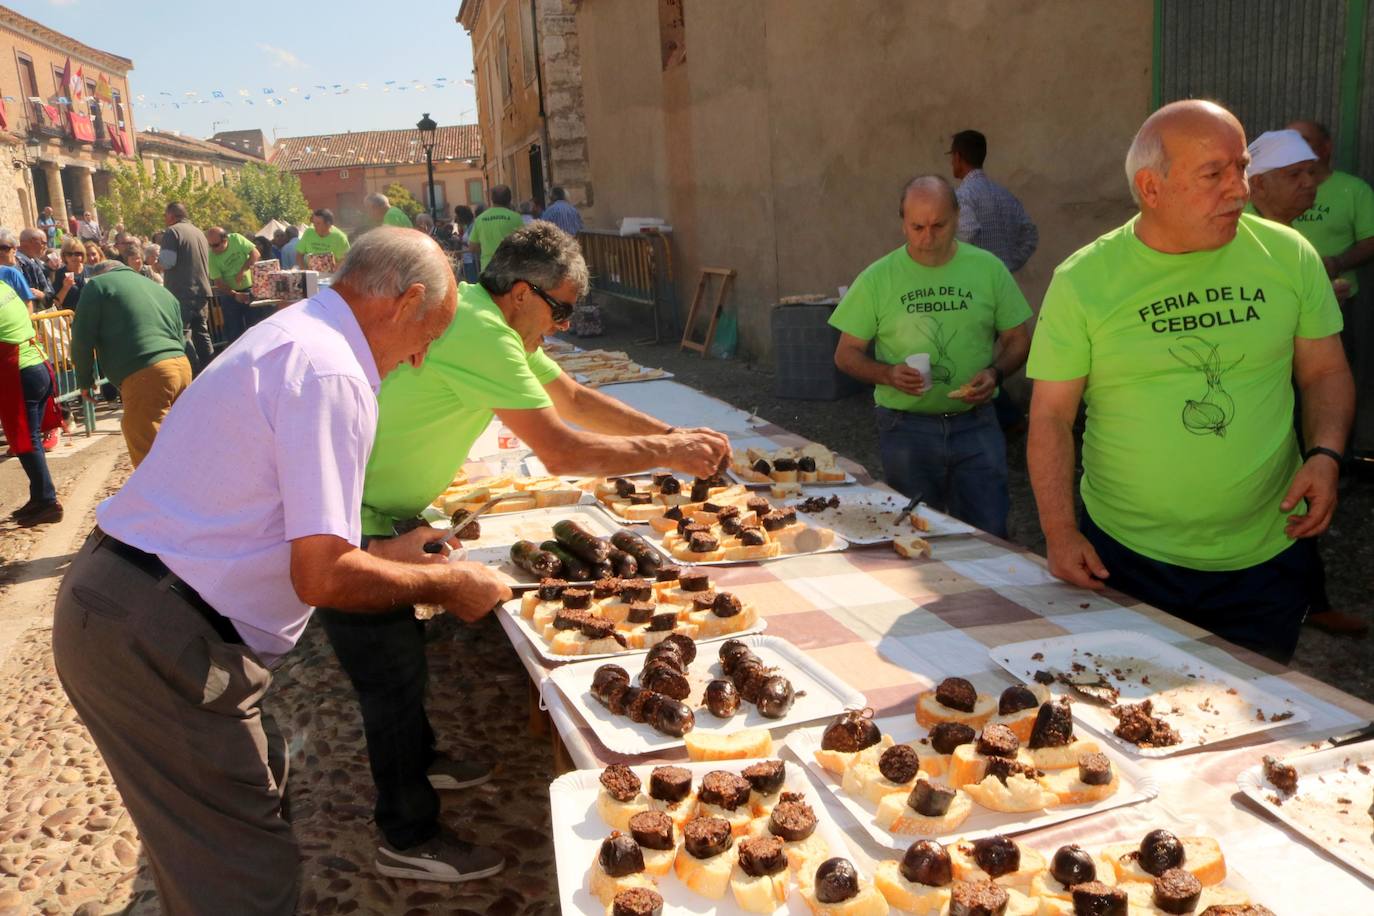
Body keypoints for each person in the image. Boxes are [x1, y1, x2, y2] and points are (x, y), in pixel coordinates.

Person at [51, 228, 510, 915]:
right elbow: (322, 579)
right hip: (154, 629)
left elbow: (291, 539)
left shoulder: (305, 336)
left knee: (249, 805)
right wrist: (448, 585)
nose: (420, 359)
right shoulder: (332, 371)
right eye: (429, 337)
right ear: (406, 300)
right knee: (242, 879)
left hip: (142, 609)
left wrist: (391, 556)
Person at [320, 222, 731, 882]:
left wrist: (673, 433)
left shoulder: (496, 324)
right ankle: (407, 830)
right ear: (520, 294)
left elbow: (571, 398)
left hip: (386, 510)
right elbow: (563, 449)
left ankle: (422, 761)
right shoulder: (483, 332)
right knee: (387, 678)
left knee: (401, 660)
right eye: (561, 308)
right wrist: (671, 453)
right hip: (350, 522)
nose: (565, 325)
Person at [1025, 99, 1354, 663]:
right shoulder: (1085, 280)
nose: (1240, 189)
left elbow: (1325, 371)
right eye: (1214, 174)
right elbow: (1051, 416)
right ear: (1151, 189)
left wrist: (1325, 454)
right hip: (1129, 559)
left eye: (1242, 167)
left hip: (1267, 558)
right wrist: (1060, 532)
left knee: (1254, 721)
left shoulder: (1289, 256)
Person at [830, 176, 1031, 538]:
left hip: (977, 424)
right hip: (906, 428)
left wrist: (996, 373)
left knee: (987, 535)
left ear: (957, 217)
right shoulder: (878, 278)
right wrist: (888, 373)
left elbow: (1018, 339)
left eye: (938, 225)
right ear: (902, 222)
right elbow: (846, 355)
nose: (927, 237)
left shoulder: (988, 269)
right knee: (915, 537)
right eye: (917, 226)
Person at [1245, 130, 1368, 639]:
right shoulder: (1242, 240)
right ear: (1256, 186)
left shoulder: (1293, 246)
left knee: (1297, 482)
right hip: (1260, 395)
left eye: (1311, 174)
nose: (1309, 185)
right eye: (1294, 176)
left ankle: (1307, 599)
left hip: (1297, 387)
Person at [71, 260, 192, 466]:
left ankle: (161, 495)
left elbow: (82, 338)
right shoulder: (158, 289)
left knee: (149, 452)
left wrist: (84, 380)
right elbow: (180, 334)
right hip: (180, 366)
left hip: (147, 371)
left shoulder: (98, 285)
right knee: (180, 440)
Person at [0, 282, 61, 524]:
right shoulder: (2, 284)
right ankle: (40, 497)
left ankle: (47, 501)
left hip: (21, 371)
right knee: (27, 438)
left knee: (26, 439)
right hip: (35, 365)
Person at [159, 201, 214, 375]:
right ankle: (210, 371)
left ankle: (193, 371)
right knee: (202, 333)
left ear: (171, 216)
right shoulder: (199, 232)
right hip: (202, 290)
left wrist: (156, 262)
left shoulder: (172, 232)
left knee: (182, 333)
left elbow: (167, 262)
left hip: (181, 292)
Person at [206, 226, 261, 345]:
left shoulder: (236, 239)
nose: (212, 249)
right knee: (234, 333)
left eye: (215, 245)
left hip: (251, 288)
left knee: (256, 328)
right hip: (230, 295)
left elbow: (255, 254)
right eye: (210, 245)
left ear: (225, 240)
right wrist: (235, 294)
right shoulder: (211, 256)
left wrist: (242, 270)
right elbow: (218, 283)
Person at [466, 185, 523, 271]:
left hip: (488, 268)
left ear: (492, 199)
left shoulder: (480, 219)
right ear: (510, 199)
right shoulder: (516, 218)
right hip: (509, 268)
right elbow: (523, 243)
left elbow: (472, 247)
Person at [17, 229, 54, 310]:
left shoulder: (36, 262)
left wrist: (43, 295)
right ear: (31, 242)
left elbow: (49, 293)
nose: (46, 247)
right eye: (43, 243)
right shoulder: (18, 263)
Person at [0, 229, 36, 309]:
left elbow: (28, 304)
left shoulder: (15, 272)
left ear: (15, 249)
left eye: (4, 248)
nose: (1, 252)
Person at [52, 237, 88, 312]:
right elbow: (55, 303)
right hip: (71, 316)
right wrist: (65, 288)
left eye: (77, 254)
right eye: (69, 254)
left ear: (82, 255)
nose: (73, 257)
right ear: (64, 256)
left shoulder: (89, 270)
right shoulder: (60, 273)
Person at [454, 205, 478, 283]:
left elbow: (473, 244)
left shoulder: (472, 226)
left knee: (473, 283)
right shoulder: (468, 227)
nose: (456, 218)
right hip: (467, 260)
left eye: (457, 215)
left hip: (472, 260)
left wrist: (460, 241)